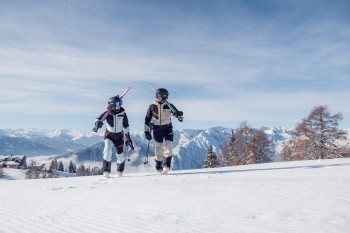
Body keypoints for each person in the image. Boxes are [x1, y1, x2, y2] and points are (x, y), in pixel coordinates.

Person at [144, 88, 183, 174]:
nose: (156, 97)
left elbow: (176, 112)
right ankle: (158, 168)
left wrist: (178, 114)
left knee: (168, 146)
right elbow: (147, 119)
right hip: (156, 129)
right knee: (158, 148)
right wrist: (146, 131)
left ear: (164, 97)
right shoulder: (152, 106)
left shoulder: (169, 106)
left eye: (158, 96)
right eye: (156, 95)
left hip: (167, 128)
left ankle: (166, 166)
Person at [94, 95, 133, 178]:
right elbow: (98, 119)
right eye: (118, 103)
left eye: (121, 103)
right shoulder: (107, 113)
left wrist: (128, 137)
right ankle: (106, 171)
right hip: (109, 135)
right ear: (112, 105)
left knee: (120, 154)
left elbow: (126, 125)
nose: (120, 105)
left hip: (119, 136)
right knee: (107, 151)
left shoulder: (123, 113)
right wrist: (98, 123)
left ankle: (120, 171)